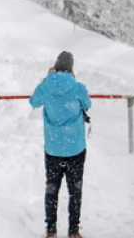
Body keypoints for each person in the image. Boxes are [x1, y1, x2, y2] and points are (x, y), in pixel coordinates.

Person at [29, 51, 92, 238]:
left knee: (52, 189)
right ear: (71, 68)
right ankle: (73, 231)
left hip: (53, 148)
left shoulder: (46, 86)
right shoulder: (78, 87)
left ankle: (51, 231)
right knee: (75, 190)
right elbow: (87, 104)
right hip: (75, 148)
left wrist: (47, 78)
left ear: (55, 66)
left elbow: (34, 102)